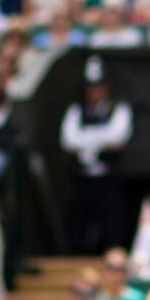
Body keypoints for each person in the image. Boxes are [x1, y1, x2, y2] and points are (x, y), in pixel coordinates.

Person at [59, 54, 133, 254]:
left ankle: (113, 261)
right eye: (91, 88)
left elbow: (117, 138)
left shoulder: (119, 108)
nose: (94, 92)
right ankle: (75, 261)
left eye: (99, 87)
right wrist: (101, 138)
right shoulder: (76, 110)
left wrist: (86, 139)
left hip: (109, 177)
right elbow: (68, 140)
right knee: (77, 222)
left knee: (112, 223)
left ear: (106, 87)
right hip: (81, 177)